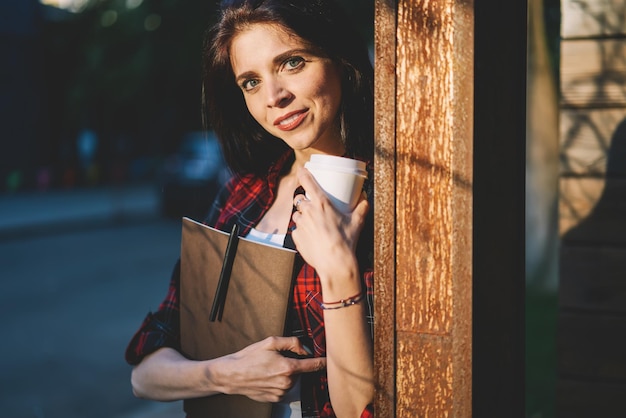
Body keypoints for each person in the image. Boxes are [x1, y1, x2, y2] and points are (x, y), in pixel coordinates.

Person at [124, 1, 375, 417]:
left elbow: (359, 411)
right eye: (251, 82)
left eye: (293, 62)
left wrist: (338, 273)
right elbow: (145, 372)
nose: (274, 97)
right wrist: (228, 374)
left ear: (339, 58)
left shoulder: (388, 202)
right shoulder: (242, 194)